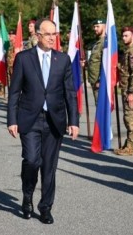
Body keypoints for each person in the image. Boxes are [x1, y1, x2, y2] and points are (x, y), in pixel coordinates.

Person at [7, 18, 79, 225]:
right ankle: (27, 195)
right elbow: (14, 93)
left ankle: (45, 207)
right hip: (29, 119)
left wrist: (73, 121)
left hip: (54, 121)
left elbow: (70, 93)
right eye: (47, 34)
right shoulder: (23, 58)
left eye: (54, 34)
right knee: (31, 160)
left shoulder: (63, 60)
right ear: (38, 35)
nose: (52, 38)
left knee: (49, 167)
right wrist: (12, 119)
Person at [114, 26, 133, 156]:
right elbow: (126, 70)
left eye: (126, 35)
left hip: (130, 90)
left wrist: (131, 92)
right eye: (123, 36)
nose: (124, 38)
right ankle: (128, 144)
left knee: (131, 119)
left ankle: (132, 147)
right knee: (127, 117)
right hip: (125, 89)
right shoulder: (128, 51)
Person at [87, 19, 106, 102]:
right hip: (94, 81)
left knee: (101, 108)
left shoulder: (105, 42)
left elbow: (105, 62)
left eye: (98, 26)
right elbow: (96, 60)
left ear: (104, 26)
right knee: (98, 106)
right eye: (94, 26)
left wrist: (100, 79)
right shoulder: (97, 42)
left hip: (100, 82)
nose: (95, 28)